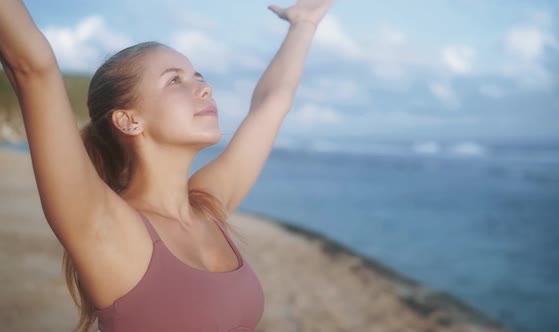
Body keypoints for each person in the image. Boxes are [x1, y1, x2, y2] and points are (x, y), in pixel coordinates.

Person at [0, 0, 336, 331]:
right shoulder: (105, 227)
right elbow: (32, 68)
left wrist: (303, 24)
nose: (205, 88)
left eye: (198, 77)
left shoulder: (207, 207)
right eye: (175, 80)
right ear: (128, 120)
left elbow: (271, 103)